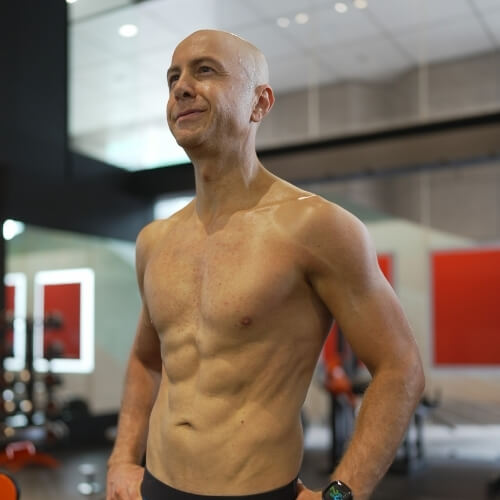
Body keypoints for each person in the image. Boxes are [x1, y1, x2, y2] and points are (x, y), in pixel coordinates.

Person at [106, 29, 425, 500]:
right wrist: (121, 461)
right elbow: (145, 359)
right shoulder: (154, 241)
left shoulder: (315, 226)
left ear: (260, 103)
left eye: (205, 70)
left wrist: (341, 496)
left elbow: (401, 368)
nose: (181, 88)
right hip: (156, 487)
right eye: (173, 78)